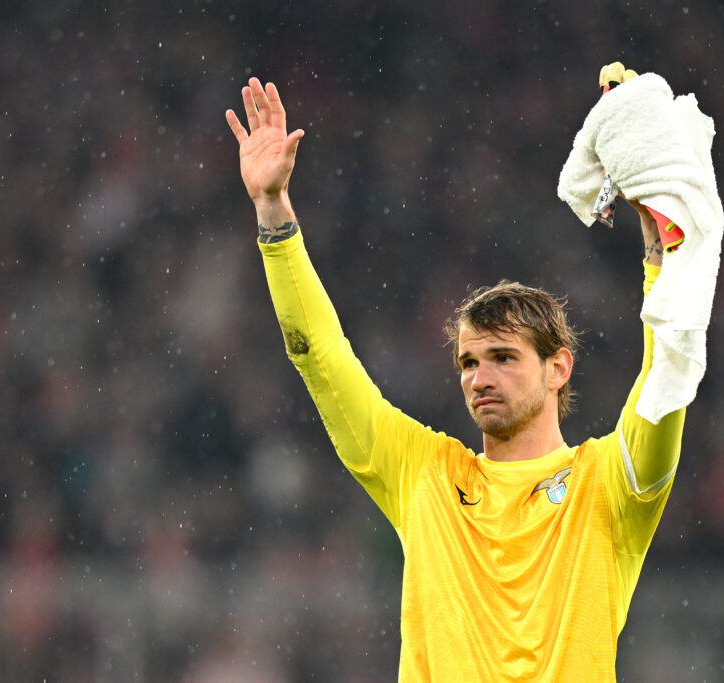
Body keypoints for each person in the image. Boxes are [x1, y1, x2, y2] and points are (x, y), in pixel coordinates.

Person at [226, 77, 687, 682]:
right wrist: (273, 213)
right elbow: (321, 358)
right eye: (469, 363)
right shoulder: (426, 475)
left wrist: (659, 250)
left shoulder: (609, 484)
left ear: (558, 368)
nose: (480, 377)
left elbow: (667, 376)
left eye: (503, 358)